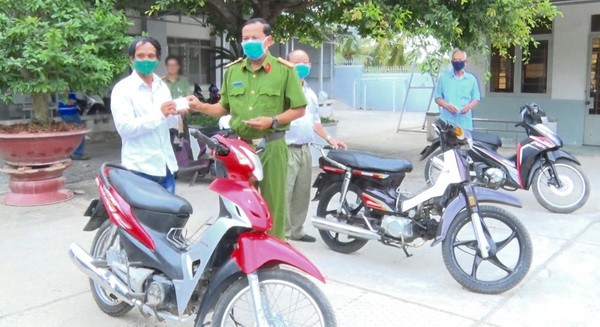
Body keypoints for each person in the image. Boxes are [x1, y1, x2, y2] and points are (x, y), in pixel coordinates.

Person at [187, 18, 307, 240]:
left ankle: (272, 259)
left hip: (272, 145)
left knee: (273, 206)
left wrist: (272, 120)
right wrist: (201, 106)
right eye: (245, 38)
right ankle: (242, 256)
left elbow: (299, 109)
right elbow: (223, 107)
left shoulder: (284, 71)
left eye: (255, 38)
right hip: (239, 149)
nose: (249, 42)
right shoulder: (233, 72)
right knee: (240, 205)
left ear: (268, 40)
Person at [285, 49, 347, 242]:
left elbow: (315, 122)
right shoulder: (281, 90)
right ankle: (281, 233)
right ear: (287, 65)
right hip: (286, 149)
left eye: (306, 62)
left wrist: (330, 138)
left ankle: (296, 230)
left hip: (305, 149)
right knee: (283, 193)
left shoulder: (310, 93)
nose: (302, 65)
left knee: (302, 192)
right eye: (297, 62)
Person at [110, 37, 185, 194]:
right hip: (140, 169)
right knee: (144, 218)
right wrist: (160, 114)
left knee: (169, 217)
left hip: (166, 166)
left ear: (157, 59)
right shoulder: (123, 89)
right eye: (141, 56)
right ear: (132, 59)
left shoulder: (161, 86)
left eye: (151, 56)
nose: (146, 60)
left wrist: (177, 113)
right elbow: (124, 128)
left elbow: (167, 124)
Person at [433, 49, 481, 130]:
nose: (457, 62)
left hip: (464, 123)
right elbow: (437, 97)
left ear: (465, 61)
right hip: (447, 122)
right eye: (455, 60)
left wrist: (469, 106)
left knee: (465, 142)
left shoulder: (471, 79)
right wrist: (447, 106)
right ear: (451, 62)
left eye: (460, 60)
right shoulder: (444, 78)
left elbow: (476, 98)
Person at [163, 56, 189, 138]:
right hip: (166, 119)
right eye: (170, 65)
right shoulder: (161, 82)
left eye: (174, 65)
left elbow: (188, 97)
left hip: (181, 117)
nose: (172, 67)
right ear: (166, 67)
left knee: (184, 145)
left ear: (178, 67)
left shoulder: (183, 81)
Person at [58, 90, 88, 160]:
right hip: (70, 113)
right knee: (80, 132)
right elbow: (67, 101)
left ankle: (69, 153)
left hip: (65, 112)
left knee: (69, 134)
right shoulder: (65, 85)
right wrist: (75, 102)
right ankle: (78, 154)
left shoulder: (67, 85)